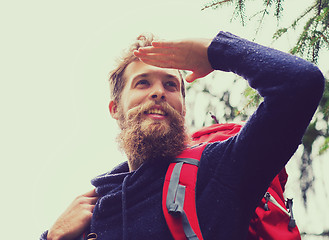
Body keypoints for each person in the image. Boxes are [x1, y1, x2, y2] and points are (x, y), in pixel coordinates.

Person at [41, 31, 324, 240]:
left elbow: (300, 83)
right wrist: (52, 238)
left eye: (170, 85)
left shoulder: (220, 170)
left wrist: (215, 50)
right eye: (142, 83)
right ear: (115, 109)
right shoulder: (91, 216)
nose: (158, 92)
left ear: (183, 109)